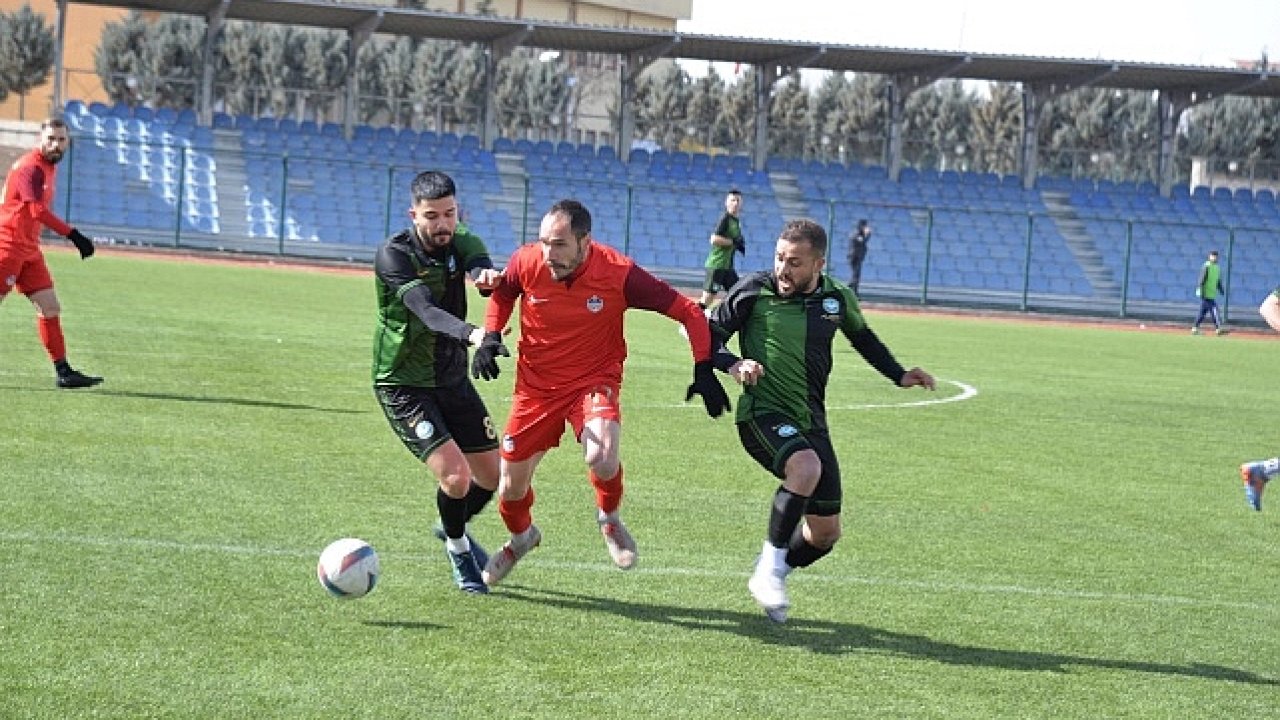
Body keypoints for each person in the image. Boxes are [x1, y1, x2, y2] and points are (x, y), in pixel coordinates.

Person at [471, 198, 731, 586]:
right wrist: (491, 335)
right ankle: (522, 539)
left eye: (559, 244)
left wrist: (703, 366)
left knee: (602, 455)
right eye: (543, 242)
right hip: (535, 390)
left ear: (585, 242)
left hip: (593, 381)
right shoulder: (527, 261)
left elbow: (688, 311)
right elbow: (505, 293)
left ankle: (608, 518)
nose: (548, 253)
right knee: (510, 488)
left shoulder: (619, 273)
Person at [707, 218, 935, 623]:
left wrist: (898, 374)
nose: (782, 269)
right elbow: (706, 334)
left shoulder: (836, 298)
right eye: (779, 258)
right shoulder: (754, 291)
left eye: (794, 262)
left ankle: (774, 569)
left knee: (825, 534)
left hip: (811, 420)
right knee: (805, 467)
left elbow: (863, 338)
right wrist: (733, 364)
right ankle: (768, 570)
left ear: (819, 264)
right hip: (762, 414)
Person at [372, 170, 505, 594]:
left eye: (449, 214)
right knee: (455, 478)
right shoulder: (394, 255)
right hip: (403, 384)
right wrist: (475, 335)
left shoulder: (459, 237)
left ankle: (452, 525)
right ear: (414, 214)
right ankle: (458, 550)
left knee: (493, 475)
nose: (443, 224)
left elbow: (476, 259)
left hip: (449, 378)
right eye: (432, 216)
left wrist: (484, 274)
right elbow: (426, 312)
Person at [0, 116, 102, 388]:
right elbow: (36, 211)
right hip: (7, 245)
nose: (56, 144)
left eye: (61, 140)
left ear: (68, 142)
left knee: (50, 307)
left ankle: (64, 372)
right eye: (51, 139)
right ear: (40, 140)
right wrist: (74, 235)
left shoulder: (48, 167)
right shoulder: (30, 168)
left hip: (29, 250)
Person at [697, 189, 745, 310]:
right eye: (732, 200)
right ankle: (688, 321)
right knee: (707, 298)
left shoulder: (736, 221)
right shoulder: (725, 219)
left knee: (739, 293)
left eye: (738, 200)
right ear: (726, 203)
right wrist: (733, 242)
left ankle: (722, 318)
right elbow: (714, 239)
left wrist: (739, 245)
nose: (735, 203)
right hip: (717, 265)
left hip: (727, 267)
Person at [1191, 249, 1226, 335]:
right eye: (1212, 256)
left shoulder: (1217, 268)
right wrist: (1200, 289)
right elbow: (1202, 279)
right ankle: (1218, 329)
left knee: (1202, 313)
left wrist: (1221, 289)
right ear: (1209, 257)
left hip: (1211, 294)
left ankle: (1195, 328)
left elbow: (1217, 281)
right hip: (1206, 294)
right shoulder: (1206, 266)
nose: (1214, 258)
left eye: (1216, 256)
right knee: (1215, 310)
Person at [847, 219, 871, 295]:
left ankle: (854, 292)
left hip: (859, 257)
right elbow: (862, 241)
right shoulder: (856, 234)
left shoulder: (860, 234)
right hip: (854, 257)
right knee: (856, 275)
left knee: (856, 276)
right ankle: (850, 290)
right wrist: (867, 234)